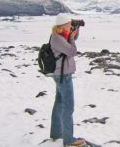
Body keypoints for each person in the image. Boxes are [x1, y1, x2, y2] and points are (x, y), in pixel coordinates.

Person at [49, 14, 85, 147]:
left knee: (59, 102)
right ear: (63, 25)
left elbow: (72, 39)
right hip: (63, 75)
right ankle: (69, 140)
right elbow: (72, 51)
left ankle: (56, 133)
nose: (71, 26)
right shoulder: (57, 38)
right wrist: (71, 36)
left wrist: (75, 31)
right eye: (69, 24)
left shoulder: (60, 35)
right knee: (68, 106)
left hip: (61, 74)